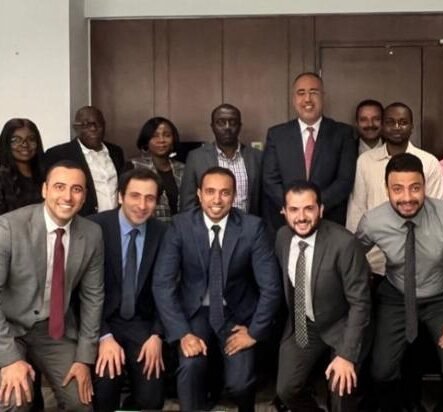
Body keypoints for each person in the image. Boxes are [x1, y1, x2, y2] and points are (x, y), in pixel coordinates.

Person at [356, 153, 443, 412]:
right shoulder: (373, 221)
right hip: (396, 296)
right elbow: (349, 257)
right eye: (398, 189)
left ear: (425, 186)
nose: (407, 197)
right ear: (387, 189)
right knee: (381, 370)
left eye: (415, 188)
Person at [153, 166, 281, 412]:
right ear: (199, 194)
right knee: (190, 367)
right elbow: (162, 283)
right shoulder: (180, 225)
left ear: (234, 196)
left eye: (225, 192)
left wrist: (254, 332)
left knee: (240, 383)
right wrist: (182, 333)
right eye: (210, 191)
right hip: (195, 313)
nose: (217, 199)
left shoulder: (252, 227)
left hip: (236, 314)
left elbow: (271, 287)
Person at [0, 160, 104, 411]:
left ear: (84, 197)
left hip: (53, 329)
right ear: (45, 190)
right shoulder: (8, 227)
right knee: (15, 400)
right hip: (7, 327)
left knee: (81, 402)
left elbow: (93, 297)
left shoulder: (92, 234)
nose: (67, 197)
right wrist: (8, 359)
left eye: (76, 189)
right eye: (59, 187)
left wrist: (84, 358)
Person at [275, 180, 371, 412]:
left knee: (341, 393)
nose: (301, 217)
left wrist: (346, 355)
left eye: (309, 208)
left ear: (321, 209)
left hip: (342, 325)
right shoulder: (282, 238)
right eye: (294, 209)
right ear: (284, 212)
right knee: (286, 390)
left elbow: (360, 304)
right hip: (304, 324)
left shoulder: (345, 244)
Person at [89, 168, 167, 411]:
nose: (142, 205)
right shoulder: (94, 228)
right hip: (102, 321)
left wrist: (157, 335)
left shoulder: (163, 233)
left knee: (152, 400)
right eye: (135, 196)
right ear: (120, 196)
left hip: (142, 324)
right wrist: (103, 336)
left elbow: (169, 289)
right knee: (104, 390)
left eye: (150, 198)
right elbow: (81, 292)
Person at [347, 102, 443, 276]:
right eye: (390, 122)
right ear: (382, 126)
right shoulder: (365, 161)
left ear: (412, 127)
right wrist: (356, 256)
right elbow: (357, 209)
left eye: (403, 122)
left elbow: (435, 213)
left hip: (418, 260)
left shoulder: (429, 162)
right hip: (375, 260)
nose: (397, 127)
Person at [262, 72, 356, 236]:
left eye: (313, 92)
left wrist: (314, 208)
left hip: (329, 222)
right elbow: (270, 180)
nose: (307, 99)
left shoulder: (343, 133)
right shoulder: (277, 135)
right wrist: (293, 209)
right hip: (286, 225)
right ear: (293, 99)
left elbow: (344, 180)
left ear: (323, 97)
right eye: (301, 93)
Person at [180, 104, 262, 215]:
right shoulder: (196, 158)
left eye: (233, 122)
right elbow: (188, 204)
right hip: (208, 225)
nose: (227, 127)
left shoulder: (257, 157)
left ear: (240, 126)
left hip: (248, 224)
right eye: (221, 122)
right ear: (212, 126)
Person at [44, 105, 125, 216]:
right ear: (76, 128)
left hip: (115, 220)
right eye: (87, 124)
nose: (93, 129)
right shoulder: (59, 154)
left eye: (98, 124)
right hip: (81, 221)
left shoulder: (116, 152)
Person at [126, 117, 185, 222]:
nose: (161, 140)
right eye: (155, 136)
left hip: (181, 229)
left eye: (167, 135)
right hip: (147, 228)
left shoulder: (183, 169)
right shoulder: (133, 167)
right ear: (146, 141)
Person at [0, 118, 45, 214]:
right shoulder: (2, 177)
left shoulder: (47, 174)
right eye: (15, 140)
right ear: (6, 143)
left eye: (31, 139)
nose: (25, 144)